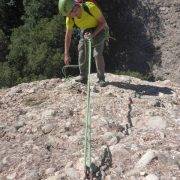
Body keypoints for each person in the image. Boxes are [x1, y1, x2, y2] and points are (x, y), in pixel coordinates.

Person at [59, 0, 108, 87]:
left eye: (69, 14)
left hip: (99, 29)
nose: (68, 16)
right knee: (81, 50)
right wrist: (66, 53)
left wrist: (92, 35)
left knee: (97, 54)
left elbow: (103, 23)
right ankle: (83, 76)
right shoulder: (70, 18)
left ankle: (101, 78)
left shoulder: (90, 7)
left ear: (74, 8)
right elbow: (68, 35)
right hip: (86, 31)